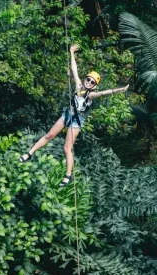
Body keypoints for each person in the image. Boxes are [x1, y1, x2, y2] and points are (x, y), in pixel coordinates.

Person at [19, 44, 129, 187]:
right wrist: (71, 52)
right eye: (88, 79)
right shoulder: (78, 86)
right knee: (49, 135)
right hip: (67, 114)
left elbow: (104, 93)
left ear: (94, 85)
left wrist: (120, 90)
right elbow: (74, 69)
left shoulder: (91, 95)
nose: (89, 82)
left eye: (92, 82)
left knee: (67, 148)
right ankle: (29, 153)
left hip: (76, 121)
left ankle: (68, 175)